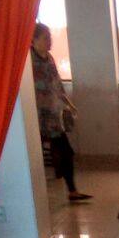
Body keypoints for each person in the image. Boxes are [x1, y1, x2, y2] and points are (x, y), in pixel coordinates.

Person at [30, 22, 91, 203]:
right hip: (35, 119)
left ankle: (72, 191)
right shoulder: (28, 61)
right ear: (33, 40)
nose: (49, 41)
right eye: (45, 38)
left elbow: (57, 85)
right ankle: (35, 196)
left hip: (52, 118)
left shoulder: (49, 58)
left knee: (66, 152)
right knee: (35, 156)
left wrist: (69, 105)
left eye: (50, 37)